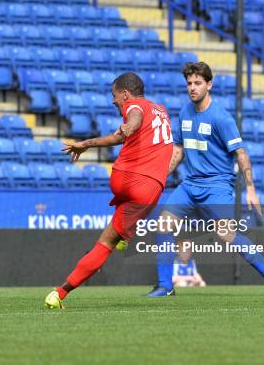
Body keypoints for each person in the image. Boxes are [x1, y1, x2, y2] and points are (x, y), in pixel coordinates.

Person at [147, 62, 264, 297]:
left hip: (217, 186)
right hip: (190, 185)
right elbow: (178, 150)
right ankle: (165, 286)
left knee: (225, 234)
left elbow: (240, 153)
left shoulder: (221, 118)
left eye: (197, 83)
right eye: (189, 83)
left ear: (209, 85)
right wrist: (159, 177)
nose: (192, 88)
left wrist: (250, 190)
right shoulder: (185, 112)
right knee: (163, 224)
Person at [44, 72, 174, 309]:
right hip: (147, 187)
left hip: (123, 179)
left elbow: (132, 118)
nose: (114, 101)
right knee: (106, 243)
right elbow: (132, 124)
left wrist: (86, 143)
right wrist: (128, 129)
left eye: (115, 96)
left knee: (118, 224)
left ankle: (124, 235)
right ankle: (59, 293)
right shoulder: (161, 110)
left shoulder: (134, 106)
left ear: (125, 93)